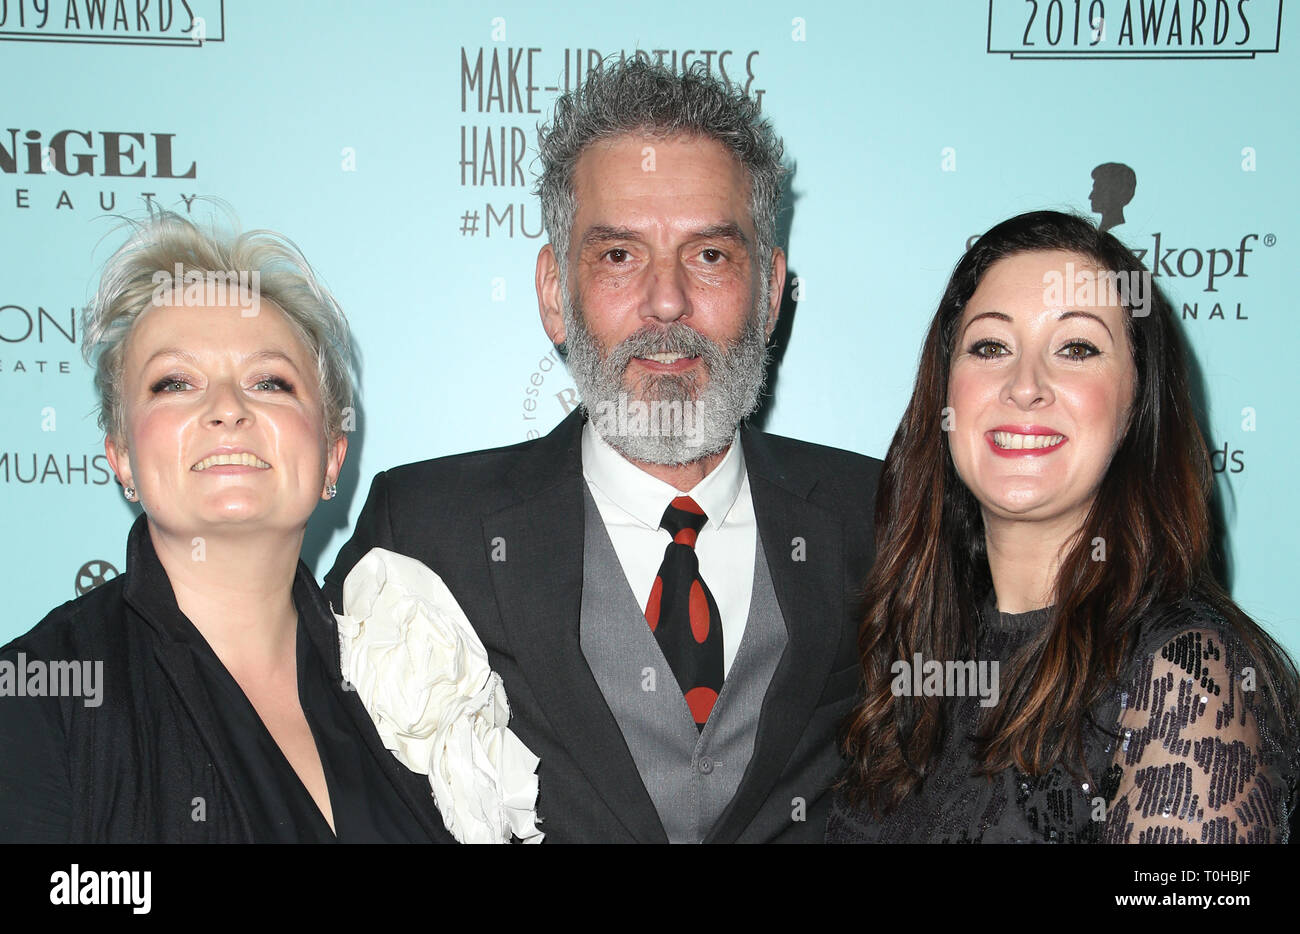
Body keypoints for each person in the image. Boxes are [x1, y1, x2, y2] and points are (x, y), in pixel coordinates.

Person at [324, 58, 882, 843]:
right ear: (556, 293)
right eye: (619, 255)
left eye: (710, 255)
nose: (666, 301)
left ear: (769, 292)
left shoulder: (883, 519)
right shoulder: (427, 532)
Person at [829, 210, 1299, 843]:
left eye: (1076, 349)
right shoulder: (914, 648)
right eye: (990, 347)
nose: (1025, 386)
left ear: (1137, 404)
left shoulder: (1186, 681)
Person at [0, 210, 454, 843]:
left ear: (331, 456)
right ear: (121, 456)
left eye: (269, 381)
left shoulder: (417, 674)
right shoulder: (37, 699)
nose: (228, 409)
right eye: (174, 382)